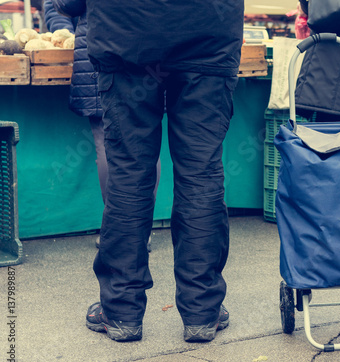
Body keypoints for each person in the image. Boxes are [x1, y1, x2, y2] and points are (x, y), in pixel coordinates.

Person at [81, 1, 243, 342]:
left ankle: (121, 312)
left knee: (128, 174)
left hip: (126, 35)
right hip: (208, 37)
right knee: (201, 175)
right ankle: (202, 311)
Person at [45, 0, 161, 251]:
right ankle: (143, 231)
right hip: (151, 48)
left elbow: (68, 3)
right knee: (149, 139)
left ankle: (120, 231)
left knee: (105, 141)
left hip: (103, 47)